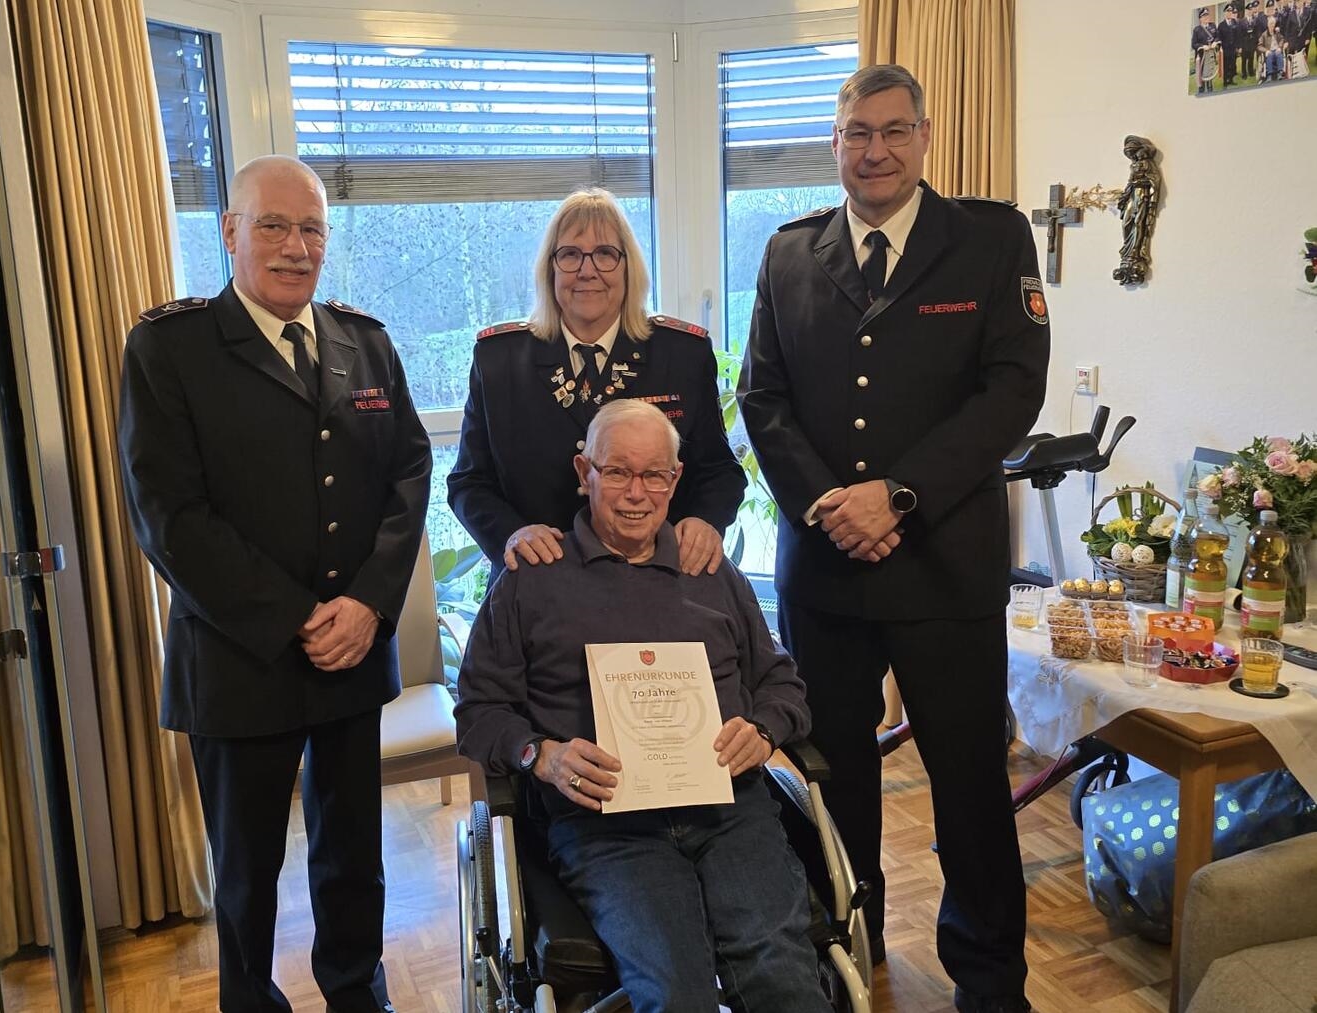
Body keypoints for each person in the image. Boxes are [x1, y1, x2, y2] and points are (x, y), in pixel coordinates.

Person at [737, 64, 1049, 1013]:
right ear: (834, 145)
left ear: (924, 136)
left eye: (892, 131)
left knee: (968, 785)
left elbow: (1013, 387)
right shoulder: (791, 252)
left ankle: (990, 981)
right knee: (835, 784)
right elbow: (763, 397)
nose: (873, 150)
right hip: (827, 571)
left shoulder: (991, 241)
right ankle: (846, 953)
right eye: (855, 134)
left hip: (946, 568)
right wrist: (835, 504)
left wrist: (897, 496)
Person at [119, 154, 432, 1013]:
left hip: (353, 649)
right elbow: (171, 518)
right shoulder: (169, 348)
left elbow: (409, 471)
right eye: (273, 226)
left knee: (352, 856)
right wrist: (300, 618)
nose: (296, 248)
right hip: (239, 659)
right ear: (230, 232)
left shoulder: (361, 340)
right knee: (248, 868)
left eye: (312, 230)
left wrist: (368, 601)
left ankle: (355, 990)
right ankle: (250, 1000)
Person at [454, 399, 831, 1013]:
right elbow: (478, 711)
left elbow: (782, 684)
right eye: (618, 472)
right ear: (585, 473)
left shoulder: (709, 569)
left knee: (782, 978)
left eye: (654, 474)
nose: (637, 492)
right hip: (606, 826)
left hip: (728, 810)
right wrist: (540, 755)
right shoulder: (532, 577)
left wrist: (763, 730)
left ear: (675, 480)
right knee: (675, 993)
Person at [447, 187, 744, 581]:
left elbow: (718, 470)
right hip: (540, 582)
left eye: (605, 254)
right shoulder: (500, 360)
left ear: (628, 267)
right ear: (550, 269)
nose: (587, 270)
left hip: (658, 578)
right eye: (570, 254)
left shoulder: (682, 354)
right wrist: (511, 534)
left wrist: (706, 522)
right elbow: (470, 481)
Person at [1114, 136, 1161, 286]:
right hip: (1132, 195)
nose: (1133, 157)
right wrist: (1124, 197)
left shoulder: (1147, 164)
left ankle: (1135, 250)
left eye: (1133, 153)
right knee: (1127, 223)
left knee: (1138, 222)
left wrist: (1144, 185)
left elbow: (1155, 180)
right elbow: (1129, 182)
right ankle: (1127, 251)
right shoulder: (1134, 166)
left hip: (1142, 195)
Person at [1192, 6, 1222, 93]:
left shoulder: (1213, 25)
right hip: (1202, 57)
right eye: (1204, 16)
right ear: (1200, 18)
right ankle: (1201, 90)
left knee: (1210, 74)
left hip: (1211, 56)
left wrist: (1215, 42)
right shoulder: (1196, 30)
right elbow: (1193, 44)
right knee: (1201, 77)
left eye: (1207, 15)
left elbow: (1218, 36)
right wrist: (1202, 46)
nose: (1206, 18)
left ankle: (1210, 90)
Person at [1218, 4, 1245, 85]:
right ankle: (1225, 81)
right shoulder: (1221, 25)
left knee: (1232, 65)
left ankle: (1231, 80)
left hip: (1233, 49)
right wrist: (1220, 49)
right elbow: (1219, 38)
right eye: (1228, 12)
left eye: (1231, 12)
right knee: (1226, 65)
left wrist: (1239, 46)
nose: (1229, 13)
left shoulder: (1234, 23)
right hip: (1225, 49)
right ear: (1225, 13)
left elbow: (1238, 36)